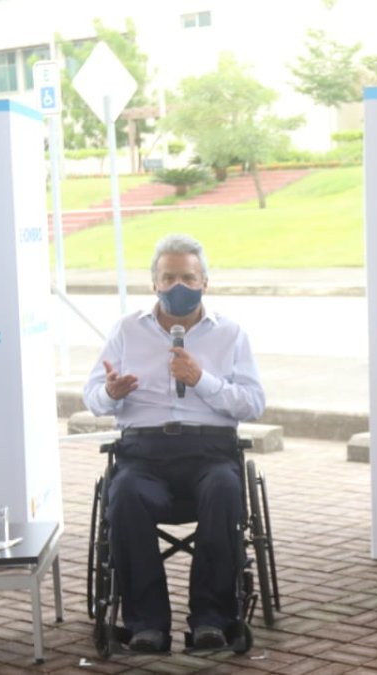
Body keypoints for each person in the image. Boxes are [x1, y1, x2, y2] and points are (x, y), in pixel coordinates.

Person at [83, 233, 265, 653]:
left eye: (187, 277)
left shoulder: (230, 334)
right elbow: (91, 399)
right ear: (154, 284)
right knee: (124, 494)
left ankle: (212, 619)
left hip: (210, 453)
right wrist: (112, 392)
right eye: (168, 278)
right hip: (143, 455)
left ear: (205, 282)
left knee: (224, 490)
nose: (177, 286)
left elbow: (254, 404)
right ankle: (147, 625)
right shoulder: (127, 330)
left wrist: (202, 380)